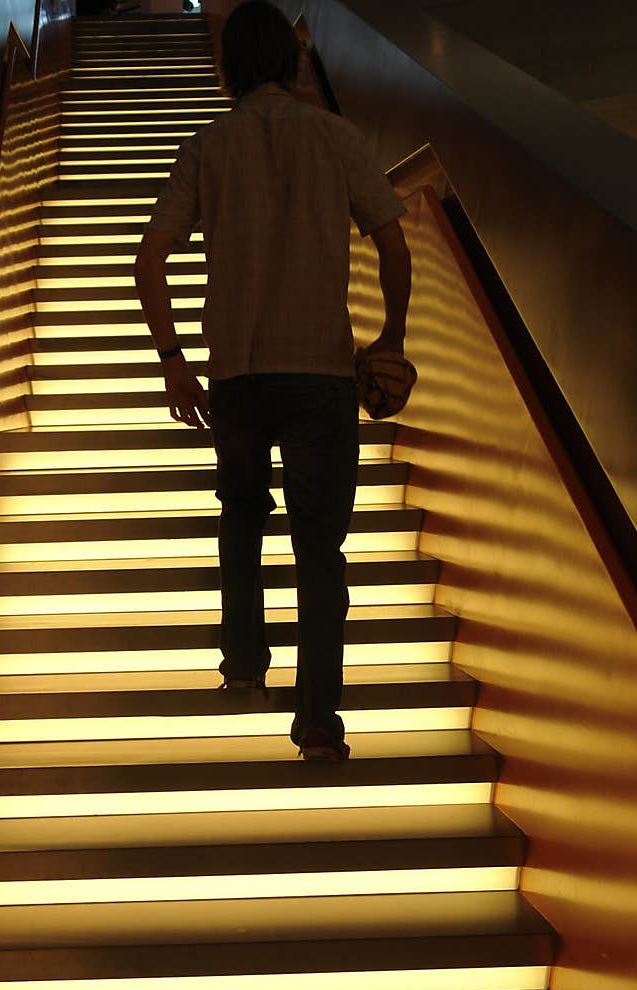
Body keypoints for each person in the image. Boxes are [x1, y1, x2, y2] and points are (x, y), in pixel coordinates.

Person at [134, 0, 411, 762]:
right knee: (319, 547)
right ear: (291, 64)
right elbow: (393, 241)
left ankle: (243, 660)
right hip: (322, 368)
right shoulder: (337, 137)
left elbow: (148, 260)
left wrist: (172, 359)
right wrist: (391, 334)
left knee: (241, 513)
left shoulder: (207, 146)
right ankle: (318, 720)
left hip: (236, 370)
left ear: (227, 67)